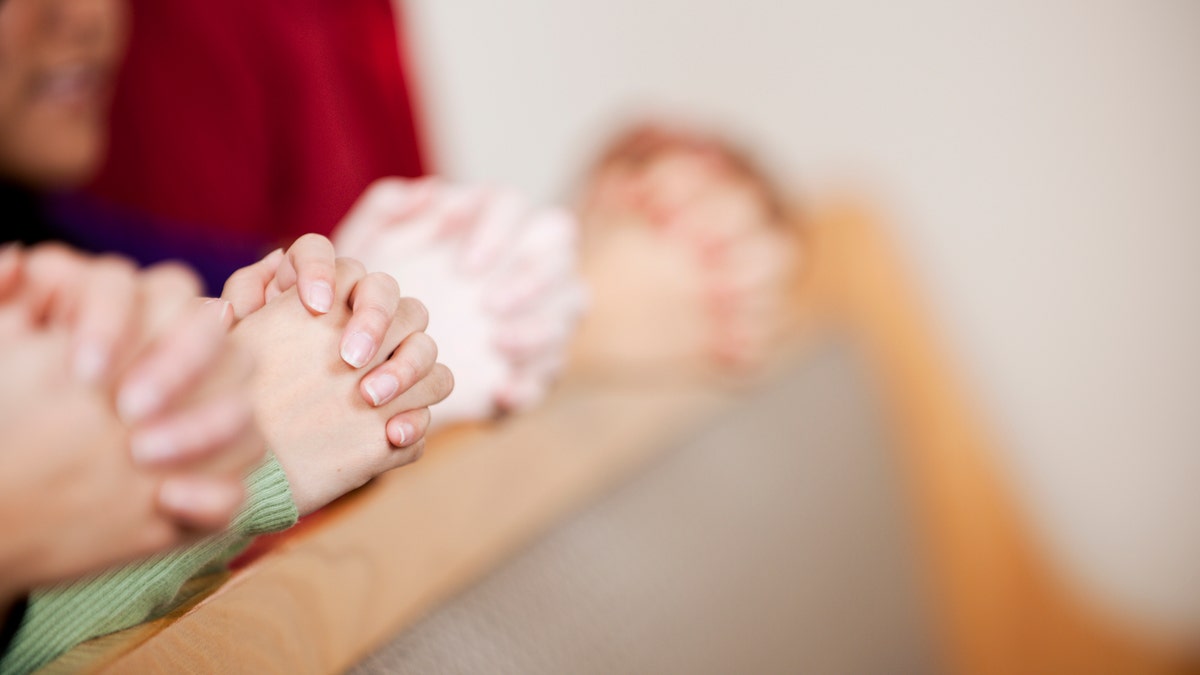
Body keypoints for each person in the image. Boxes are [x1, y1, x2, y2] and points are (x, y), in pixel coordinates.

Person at [0, 0, 452, 670]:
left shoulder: (71, 238)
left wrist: (323, 320)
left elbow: (285, 294)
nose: (88, 14)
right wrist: (239, 442)